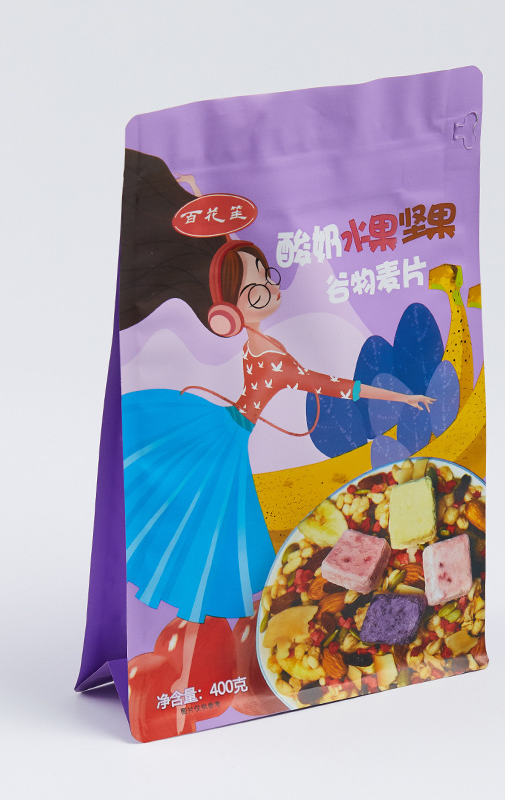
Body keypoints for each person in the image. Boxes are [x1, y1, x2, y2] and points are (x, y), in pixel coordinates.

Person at [120, 150, 432, 623]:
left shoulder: (261, 341)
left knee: (197, 506)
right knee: (210, 513)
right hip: (227, 434)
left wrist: (198, 199)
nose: (270, 288)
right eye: (256, 290)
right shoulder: (278, 363)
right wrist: (403, 396)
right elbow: (338, 387)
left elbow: (230, 249)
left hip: (223, 427)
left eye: (268, 278)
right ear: (225, 316)